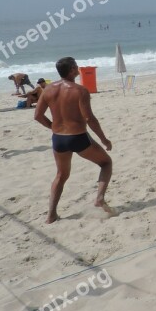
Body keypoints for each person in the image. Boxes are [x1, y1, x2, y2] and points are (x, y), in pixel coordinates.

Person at [33, 57, 114, 224]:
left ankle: (51, 215)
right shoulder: (80, 90)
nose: (78, 68)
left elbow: (37, 116)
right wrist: (104, 139)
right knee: (106, 163)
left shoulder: (48, 90)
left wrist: (53, 127)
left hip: (59, 139)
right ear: (71, 69)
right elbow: (89, 118)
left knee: (61, 175)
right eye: (76, 66)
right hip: (78, 137)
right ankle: (99, 198)